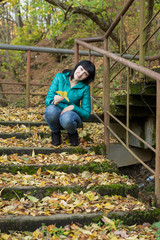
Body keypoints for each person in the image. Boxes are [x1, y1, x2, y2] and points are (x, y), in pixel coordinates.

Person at [45, 60, 96, 146]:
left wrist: (73, 107)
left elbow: (87, 114)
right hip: (56, 110)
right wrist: (54, 102)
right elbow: (48, 99)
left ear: (87, 78)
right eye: (81, 69)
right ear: (77, 66)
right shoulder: (60, 77)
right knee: (50, 110)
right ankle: (55, 133)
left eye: (85, 74)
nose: (80, 74)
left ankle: (72, 133)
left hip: (71, 115)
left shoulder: (85, 88)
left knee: (67, 117)